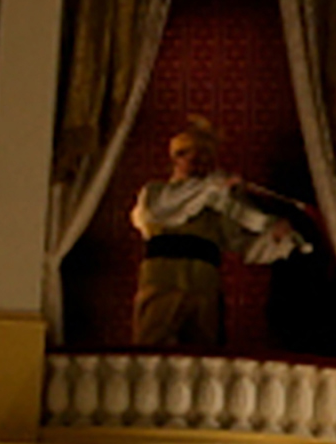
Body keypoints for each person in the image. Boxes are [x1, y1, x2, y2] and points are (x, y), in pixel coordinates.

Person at [130, 115, 310, 348]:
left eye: (207, 161)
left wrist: (273, 233)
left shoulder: (221, 205)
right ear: (177, 158)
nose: (202, 167)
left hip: (205, 291)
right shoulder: (155, 193)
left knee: (204, 358)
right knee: (152, 352)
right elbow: (161, 210)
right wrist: (211, 187)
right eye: (195, 159)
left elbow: (241, 243)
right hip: (161, 284)